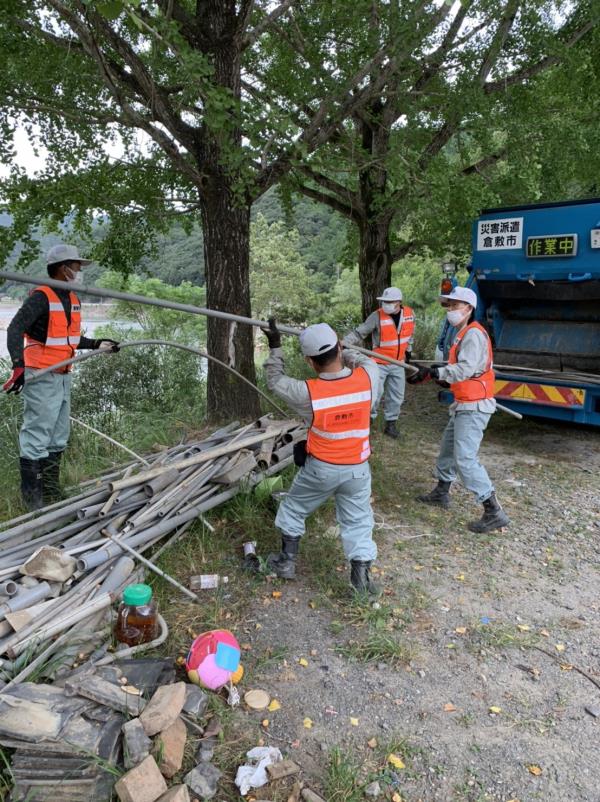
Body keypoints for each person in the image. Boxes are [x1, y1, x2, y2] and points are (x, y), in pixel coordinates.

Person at [263, 319, 380, 594]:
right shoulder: (369, 376)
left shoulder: (307, 393)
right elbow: (362, 360)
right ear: (339, 348)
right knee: (358, 520)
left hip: (322, 470)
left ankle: (286, 562)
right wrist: (347, 350)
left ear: (309, 361)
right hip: (358, 470)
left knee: (293, 508)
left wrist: (275, 346)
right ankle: (360, 580)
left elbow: (274, 380)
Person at [2, 244, 119, 510]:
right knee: (37, 435)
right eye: (76, 266)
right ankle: (34, 503)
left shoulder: (71, 298)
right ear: (62, 268)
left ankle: (52, 493)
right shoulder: (41, 296)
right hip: (41, 374)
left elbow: (67, 339)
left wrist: (97, 344)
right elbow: (15, 328)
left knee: (58, 436)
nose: (79, 271)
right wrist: (18, 367)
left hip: (63, 373)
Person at [409, 286, 509, 533]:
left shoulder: (474, 334)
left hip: (475, 406)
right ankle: (442, 492)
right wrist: (434, 375)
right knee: (447, 449)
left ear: (468, 308)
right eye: (449, 305)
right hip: (463, 403)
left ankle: (493, 510)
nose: (451, 310)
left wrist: (435, 372)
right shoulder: (461, 333)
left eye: (455, 305)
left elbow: (464, 369)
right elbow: (461, 370)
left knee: (465, 458)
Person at [343, 287, 414, 439]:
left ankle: (391, 424)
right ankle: (368, 421)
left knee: (397, 395)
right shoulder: (376, 316)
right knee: (375, 393)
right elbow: (359, 332)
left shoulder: (409, 314)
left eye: (389, 302)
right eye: (384, 302)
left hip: (398, 363)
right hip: (379, 363)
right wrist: (344, 343)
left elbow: (410, 333)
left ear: (399, 303)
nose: (386, 304)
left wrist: (409, 351)